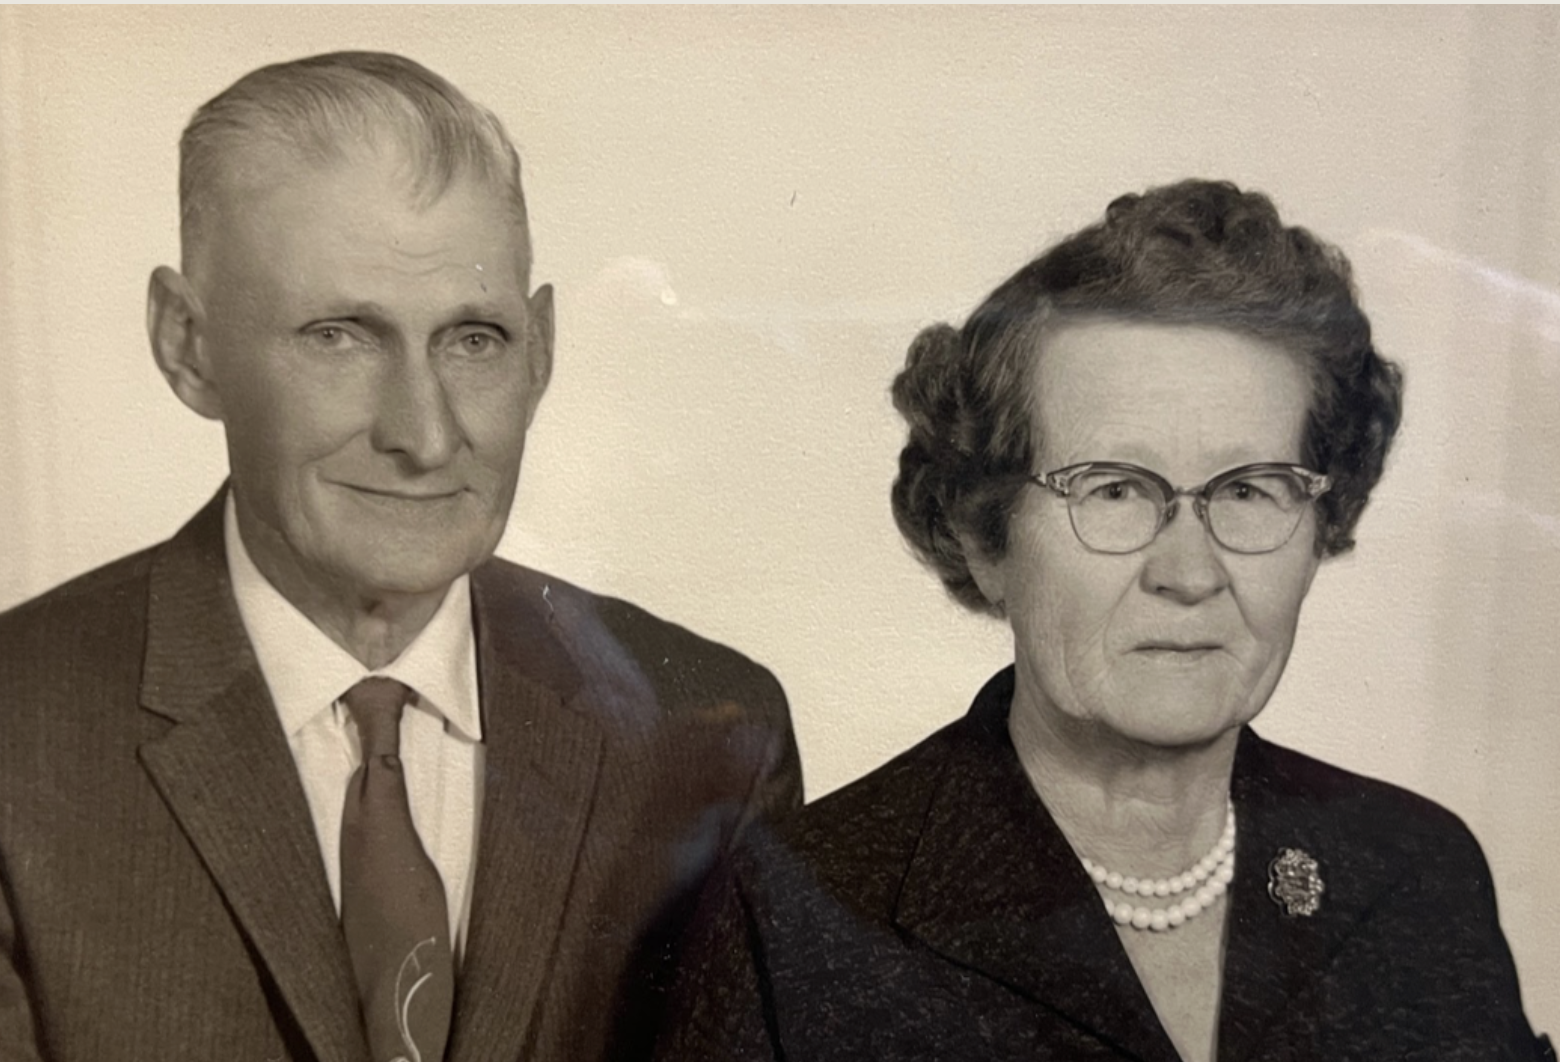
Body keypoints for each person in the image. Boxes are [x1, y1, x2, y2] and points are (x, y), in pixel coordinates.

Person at [0, 51, 800, 1062]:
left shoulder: (706, 737)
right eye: (338, 336)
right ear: (188, 345)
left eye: (474, 339)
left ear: (540, 351)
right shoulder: (20, 733)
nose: (423, 435)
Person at [654, 180, 1551, 1061]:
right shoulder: (800, 913)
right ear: (986, 537)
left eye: (1249, 490)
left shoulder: (1417, 874)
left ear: (1322, 522)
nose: (1189, 574)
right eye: (1114, 490)